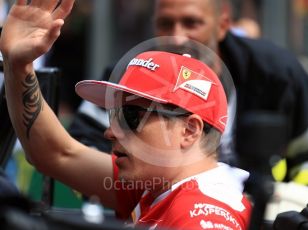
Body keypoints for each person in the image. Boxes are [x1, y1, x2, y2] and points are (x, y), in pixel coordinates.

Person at [69, 0, 308, 209]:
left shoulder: (274, 72)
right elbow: (82, 145)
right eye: (165, 23)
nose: (177, 37)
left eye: (191, 23)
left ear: (222, 23)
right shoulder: (134, 71)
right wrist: (146, 191)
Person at [0, 1, 252, 229]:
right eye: (114, 116)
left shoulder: (202, 215)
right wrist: (18, 64)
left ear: (189, 130)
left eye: (132, 117)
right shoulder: (159, 182)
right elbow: (56, 155)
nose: (110, 132)